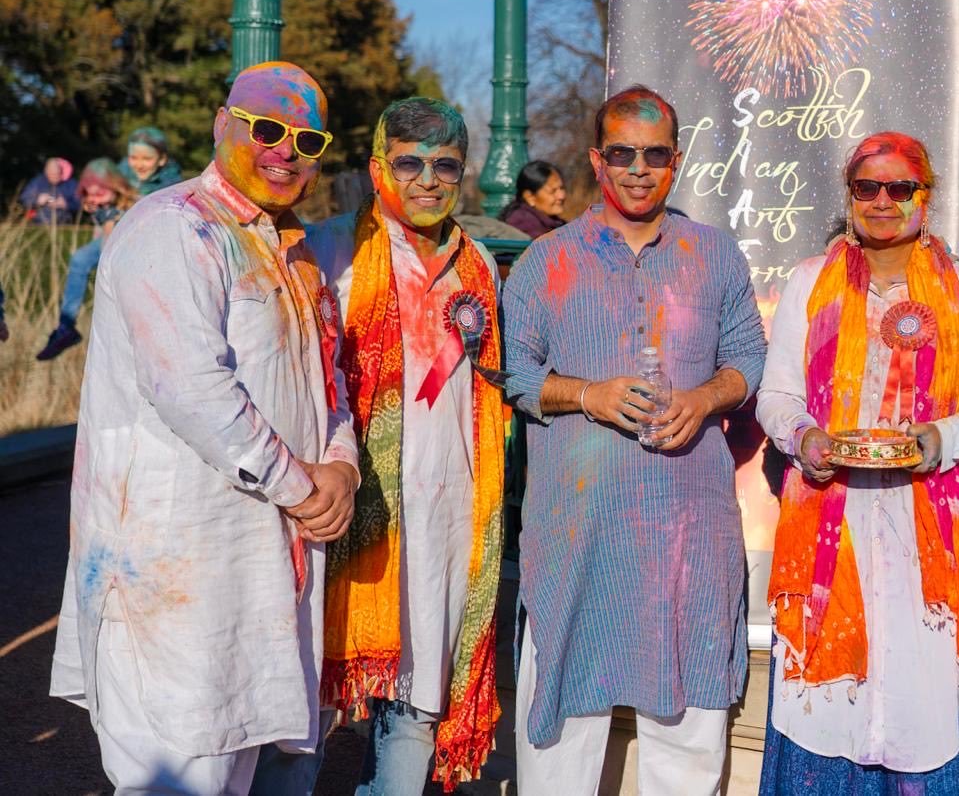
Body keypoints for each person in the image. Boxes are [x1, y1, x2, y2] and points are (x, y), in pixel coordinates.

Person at [49, 61, 360, 795]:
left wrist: (341, 465)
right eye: (268, 129)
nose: (286, 150)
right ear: (224, 126)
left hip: (255, 577)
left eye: (307, 139)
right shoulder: (172, 228)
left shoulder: (294, 249)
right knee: (175, 774)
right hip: (170, 569)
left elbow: (332, 381)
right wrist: (300, 487)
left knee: (228, 769)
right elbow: (189, 387)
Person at [501, 85, 767, 795]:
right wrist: (589, 394)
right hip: (577, 533)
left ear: (676, 161)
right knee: (561, 731)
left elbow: (750, 357)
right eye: (622, 154)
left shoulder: (714, 254)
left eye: (655, 155)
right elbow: (515, 373)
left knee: (688, 735)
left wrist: (706, 397)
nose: (638, 169)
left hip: (689, 533)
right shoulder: (546, 260)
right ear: (597, 159)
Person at [756, 132, 959, 793]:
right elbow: (777, 395)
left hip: (930, 528)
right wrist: (804, 439)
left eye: (899, 188)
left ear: (925, 196)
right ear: (850, 196)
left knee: (925, 697)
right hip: (834, 516)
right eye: (867, 188)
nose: (883, 202)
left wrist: (937, 441)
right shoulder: (809, 283)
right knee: (831, 708)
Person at [302, 98, 507, 792]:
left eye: (444, 164)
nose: (427, 179)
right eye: (409, 162)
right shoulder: (328, 250)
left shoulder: (477, 263)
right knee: (305, 717)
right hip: (345, 520)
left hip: (445, 518)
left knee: (415, 712)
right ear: (375, 167)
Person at [35, 159, 140, 361]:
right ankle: (66, 326)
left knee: (91, 260)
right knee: (80, 258)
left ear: (114, 187)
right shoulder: (103, 207)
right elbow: (99, 233)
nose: (94, 199)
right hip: (109, 241)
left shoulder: (122, 208)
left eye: (99, 193)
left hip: (126, 245)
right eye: (89, 194)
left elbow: (110, 243)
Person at [499, 159, 567, 239]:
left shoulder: (553, 223)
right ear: (530, 197)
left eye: (562, 188)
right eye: (552, 191)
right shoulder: (523, 224)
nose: (561, 196)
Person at [120, 126, 184, 196]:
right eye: (133, 158)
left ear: (162, 159)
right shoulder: (118, 176)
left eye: (147, 158)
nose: (139, 166)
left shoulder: (172, 188)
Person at [21, 156, 78, 224]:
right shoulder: (37, 182)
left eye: (57, 174)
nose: (55, 177)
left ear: (61, 171)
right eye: (51, 174)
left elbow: (80, 204)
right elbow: (24, 199)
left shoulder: (71, 183)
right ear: (46, 172)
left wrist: (66, 204)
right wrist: (37, 200)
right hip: (38, 223)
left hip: (64, 224)